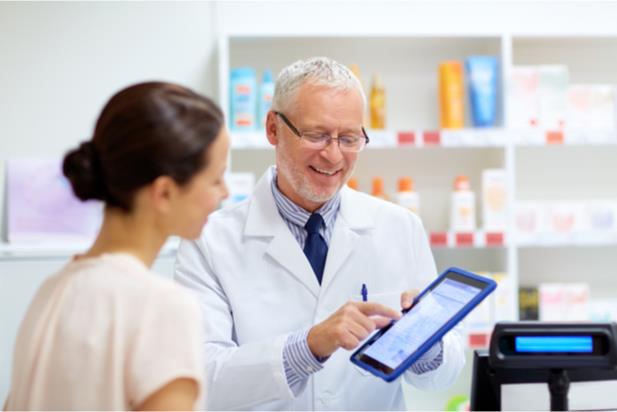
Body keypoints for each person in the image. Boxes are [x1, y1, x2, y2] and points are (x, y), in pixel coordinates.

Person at [174, 57, 465, 410]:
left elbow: (442, 375)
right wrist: (309, 347)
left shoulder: (399, 227)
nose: (333, 155)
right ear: (273, 129)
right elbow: (202, 376)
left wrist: (426, 341)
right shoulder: (209, 240)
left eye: (349, 138)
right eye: (317, 135)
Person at [5, 82, 229, 410]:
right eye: (216, 178)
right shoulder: (162, 307)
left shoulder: (51, 292)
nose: (224, 192)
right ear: (164, 193)